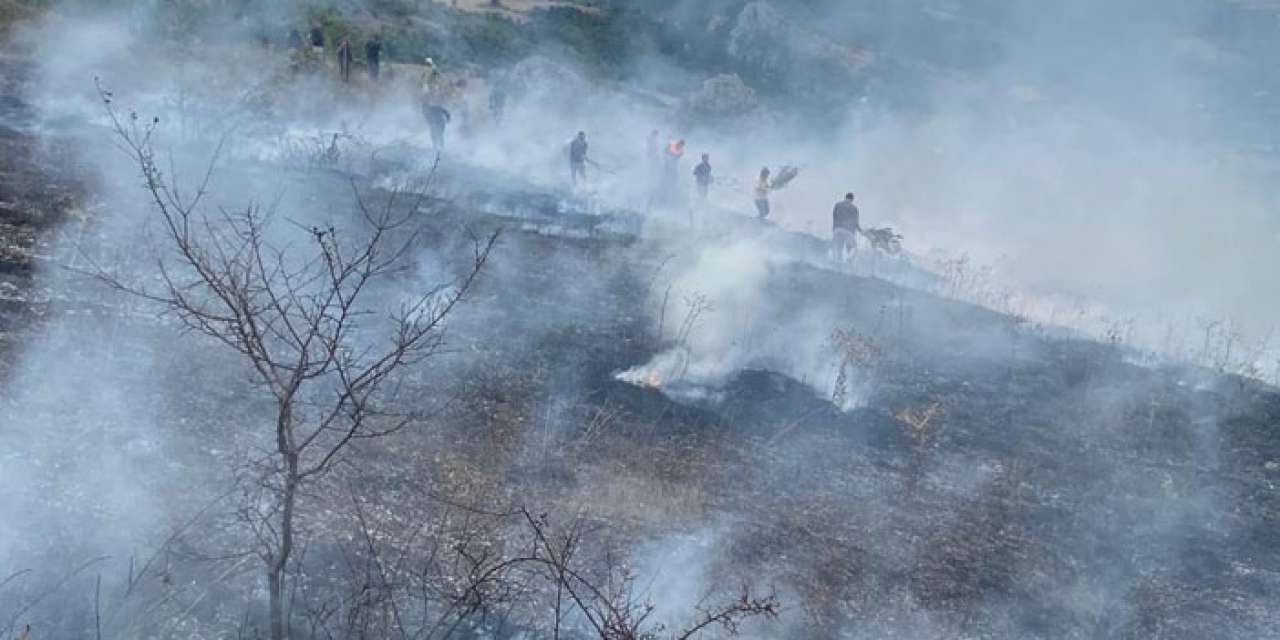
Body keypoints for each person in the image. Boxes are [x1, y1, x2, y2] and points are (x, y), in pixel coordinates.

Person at [832, 192, 861, 263]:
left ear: (845, 197)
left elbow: (834, 217)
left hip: (837, 230)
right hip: (848, 232)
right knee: (853, 249)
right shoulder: (854, 208)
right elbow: (855, 223)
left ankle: (838, 265)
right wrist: (861, 231)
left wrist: (834, 229)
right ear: (852, 199)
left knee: (839, 250)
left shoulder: (837, 205)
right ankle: (849, 263)